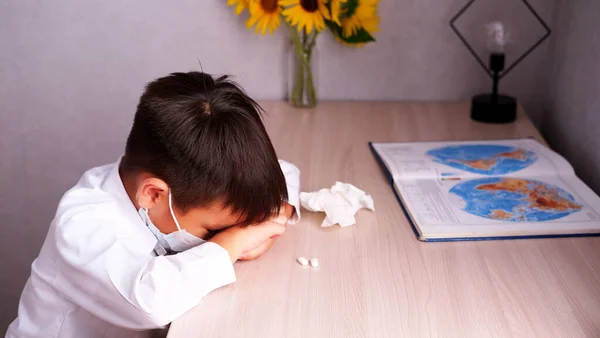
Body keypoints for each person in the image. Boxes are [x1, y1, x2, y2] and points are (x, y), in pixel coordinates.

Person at [5, 72, 301, 338]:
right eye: (213, 229)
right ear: (154, 195)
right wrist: (234, 241)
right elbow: (151, 303)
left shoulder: (193, 182)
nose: (228, 231)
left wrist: (272, 216)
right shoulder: (81, 226)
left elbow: (283, 173)